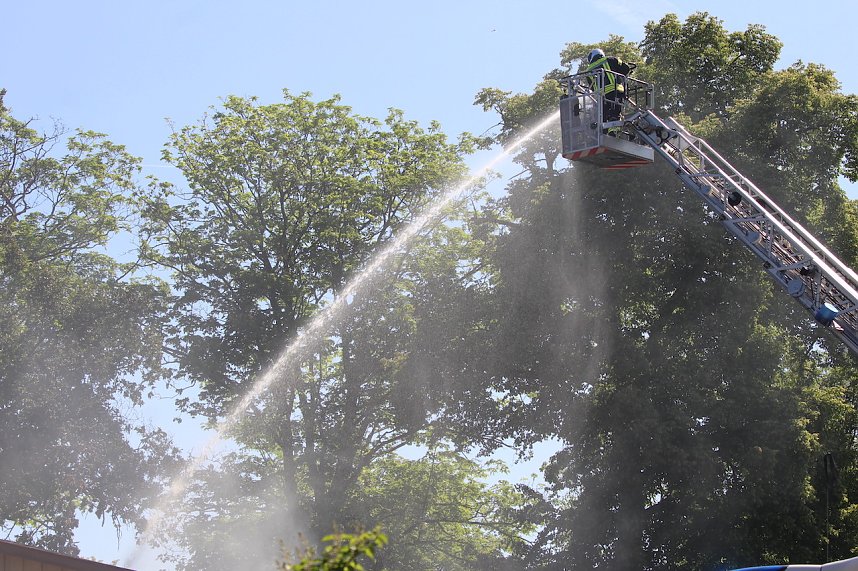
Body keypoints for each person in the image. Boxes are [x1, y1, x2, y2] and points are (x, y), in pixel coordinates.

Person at [585, 48, 633, 127]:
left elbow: (592, 88)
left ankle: (605, 131)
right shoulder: (610, 59)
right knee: (615, 113)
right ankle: (614, 130)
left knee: (604, 115)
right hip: (615, 91)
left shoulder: (588, 70)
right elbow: (626, 68)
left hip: (601, 97)